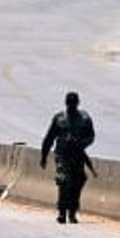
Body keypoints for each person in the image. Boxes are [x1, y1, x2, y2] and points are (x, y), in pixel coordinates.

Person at [39, 91, 97, 224]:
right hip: (62, 155)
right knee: (63, 182)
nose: (71, 106)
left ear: (77, 103)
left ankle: (72, 212)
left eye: (73, 103)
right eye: (69, 103)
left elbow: (91, 136)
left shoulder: (85, 119)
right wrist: (44, 156)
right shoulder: (59, 119)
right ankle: (62, 212)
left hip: (77, 155)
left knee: (77, 183)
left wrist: (81, 142)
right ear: (66, 103)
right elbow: (49, 138)